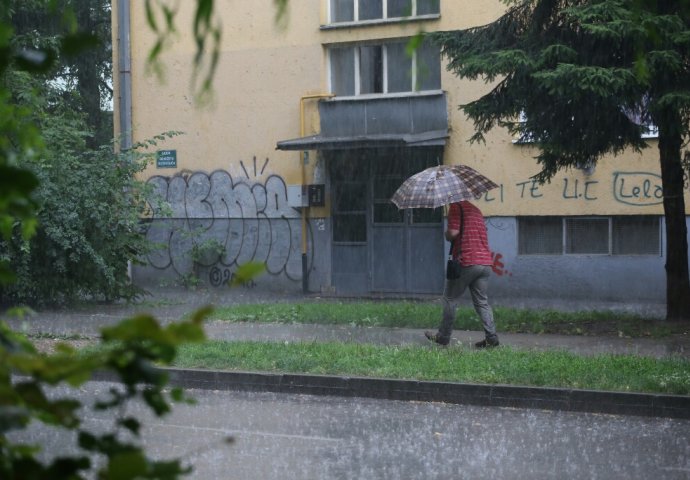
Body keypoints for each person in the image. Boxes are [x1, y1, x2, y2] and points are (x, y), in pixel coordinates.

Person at [424, 200, 499, 348]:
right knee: (482, 302)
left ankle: (443, 336)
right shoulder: (476, 210)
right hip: (485, 262)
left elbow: (453, 233)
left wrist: (447, 233)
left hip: (468, 260)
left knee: (450, 298)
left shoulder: (456, 207)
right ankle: (491, 337)